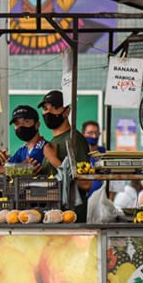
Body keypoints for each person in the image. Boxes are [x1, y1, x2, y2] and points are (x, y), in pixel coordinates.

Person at [38, 90, 92, 220]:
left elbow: (85, 183)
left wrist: (53, 159)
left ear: (67, 111)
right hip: (54, 216)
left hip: (70, 218)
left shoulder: (74, 140)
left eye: (55, 108)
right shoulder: (55, 140)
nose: (48, 112)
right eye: (45, 108)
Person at [82, 120, 105, 199]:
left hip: (102, 198)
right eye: (90, 133)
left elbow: (114, 183)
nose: (94, 136)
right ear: (83, 134)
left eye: (96, 133)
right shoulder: (79, 154)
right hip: (83, 199)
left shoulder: (104, 154)